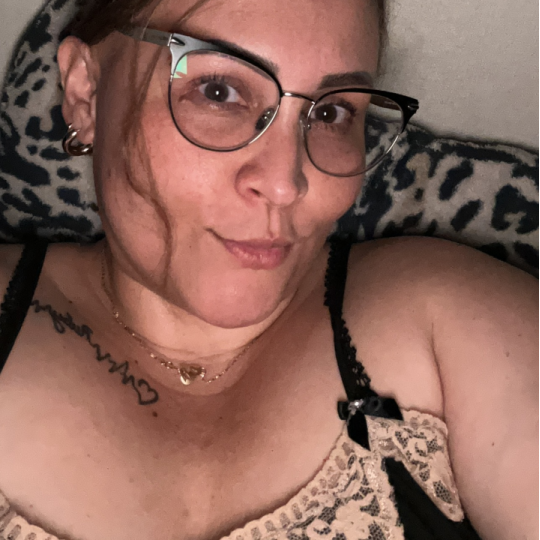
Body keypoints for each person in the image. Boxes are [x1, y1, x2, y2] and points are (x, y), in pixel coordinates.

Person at [0, 0, 537, 538]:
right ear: (86, 92)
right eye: (218, 92)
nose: (285, 184)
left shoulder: (450, 321)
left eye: (330, 113)